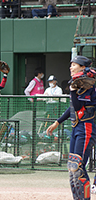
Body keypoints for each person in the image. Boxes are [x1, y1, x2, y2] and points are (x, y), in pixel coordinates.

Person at [46, 56, 96, 200]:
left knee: (78, 166)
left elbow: (80, 106)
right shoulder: (78, 82)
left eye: (74, 65)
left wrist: (73, 90)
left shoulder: (88, 83)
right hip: (76, 127)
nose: (70, 67)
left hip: (86, 128)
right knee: (72, 167)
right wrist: (58, 122)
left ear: (82, 67)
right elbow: (73, 107)